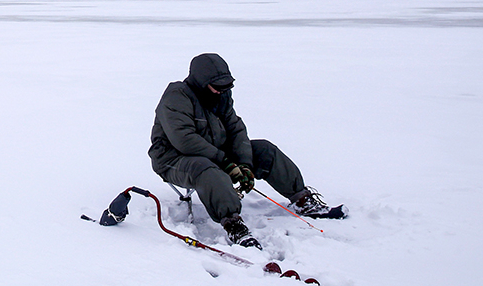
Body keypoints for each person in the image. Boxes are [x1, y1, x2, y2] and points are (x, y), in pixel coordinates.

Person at [148, 53, 346, 249]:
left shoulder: (221, 95)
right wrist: (224, 161)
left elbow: (235, 128)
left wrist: (244, 164)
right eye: (217, 87)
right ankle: (232, 223)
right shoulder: (177, 96)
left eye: (226, 86)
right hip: (173, 158)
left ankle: (301, 199)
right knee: (207, 169)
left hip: (214, 152)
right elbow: (184, 140)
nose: (221, 91)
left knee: (264, 150)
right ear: (201, 82)